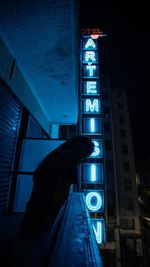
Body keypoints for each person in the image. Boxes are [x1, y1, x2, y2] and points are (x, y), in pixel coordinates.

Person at [10, 135, 94, 267]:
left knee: (20, 249)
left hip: (33, 209)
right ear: (80, 152)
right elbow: (59, 199)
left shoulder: (54, 156)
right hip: (43, 217)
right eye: (84, 156)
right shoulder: (69, 161)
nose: (83, 160)